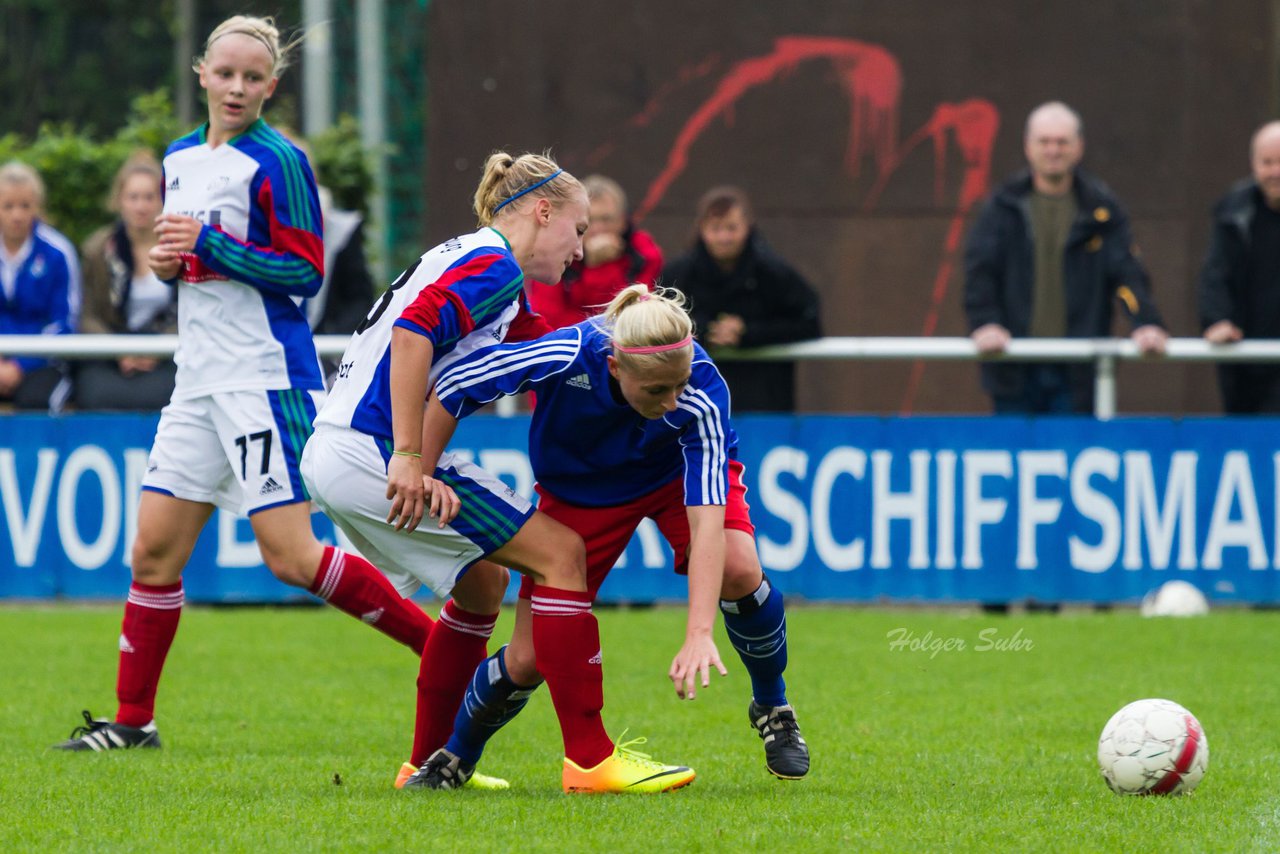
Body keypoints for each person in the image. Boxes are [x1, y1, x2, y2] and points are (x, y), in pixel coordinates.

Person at [55, 14, 433, 752]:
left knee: (290, 558)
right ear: (201, 73)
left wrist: (211, 246)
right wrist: (175, 264)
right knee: (152, 554)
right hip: (196, 380)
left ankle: (449, 661)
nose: (236, 87)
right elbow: (196, 266)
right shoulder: (180, 158)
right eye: (224, 73)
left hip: (263, 379)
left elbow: (304, 271)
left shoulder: (281, 161)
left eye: (251, 77)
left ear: (272, 86)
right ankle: (134, 724)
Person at [301, 151, 695, 794]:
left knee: (482, 587)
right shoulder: (493, 264)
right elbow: (411, 336)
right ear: (542, 212)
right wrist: (406, 457)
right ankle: (592, 763)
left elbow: (554, 347)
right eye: (578, 228)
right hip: (372, 449)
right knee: (562, 555)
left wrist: (635, 339)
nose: (580, 249)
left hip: (338, 451)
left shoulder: (482, 268)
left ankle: (428, 767)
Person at [419, 283, 811, 786]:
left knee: (738, 568)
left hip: (673, 480)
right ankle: (455, 756)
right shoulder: (567, 353)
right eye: (656, 391)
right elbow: (455, 383)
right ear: (613, 367)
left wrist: (698, 634)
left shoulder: (703, 390)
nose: (673, 402)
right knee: (530, 657)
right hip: (582, 494)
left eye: (679, 385)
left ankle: (773, 706)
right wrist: (419, 466)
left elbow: (707, 521)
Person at [964, 101, 1167, 414]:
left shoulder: (1102, 210)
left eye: (1062, 142)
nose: (1053, 151)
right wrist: (985, 323)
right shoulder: (1002, 207)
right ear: (1028, 146)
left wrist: (1146, 323)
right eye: (1044, 142)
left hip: (1077, 371)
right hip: (1013, 365)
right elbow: (980, 273)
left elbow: (1127, 274)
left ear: (1079, 147)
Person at [661, 185, 821, 413]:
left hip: (766, 405)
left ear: (747, 227)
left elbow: (809, 322)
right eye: (716, 228)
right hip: (693, 403)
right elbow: (661, 324)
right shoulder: (679, 274)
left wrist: (748, 334)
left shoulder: (774, 274)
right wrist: (706, 331)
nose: (724, 237)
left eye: (732, 228)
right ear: (702, 229)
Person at [74, 152, 178, 410]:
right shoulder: (97, 249)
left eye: (149, 197)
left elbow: (191, 312)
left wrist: (157, 350)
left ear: (162, 200)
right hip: (110, 351)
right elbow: (87, 316)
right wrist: (119, 350)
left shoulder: (181, 247)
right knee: (94, 393)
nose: (141, 206)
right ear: (119, 200)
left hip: (168, 351)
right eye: (133, 197)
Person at [1199, 120, 1280, 413]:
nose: (1275, 172)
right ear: (1253, 164)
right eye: (1267, 162)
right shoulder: (1233, 213)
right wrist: (1216, 320)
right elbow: (1215, 275)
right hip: (1245, 364)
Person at [528, 173, 662, 328]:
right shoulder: (554, 254)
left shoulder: (643, 254)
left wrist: (601, 267)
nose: (598, 229)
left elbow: (635, 317)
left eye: (606, 219)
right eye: (589, 221)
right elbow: (549, 318)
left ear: (623, 221)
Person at [0, 161, 79, 411]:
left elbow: (65, 322)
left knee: (36, 402)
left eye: (25, 205)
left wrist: (21, 364)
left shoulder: (58, 253)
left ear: (37, 206)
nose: (17, 215)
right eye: (8, 206)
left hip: (43, 363)